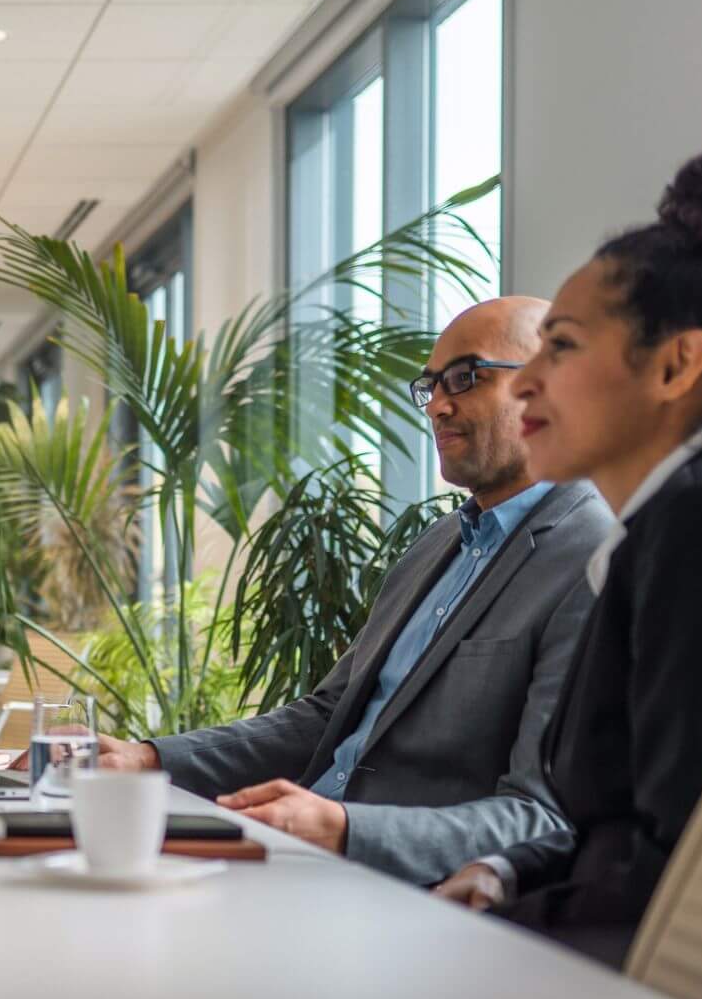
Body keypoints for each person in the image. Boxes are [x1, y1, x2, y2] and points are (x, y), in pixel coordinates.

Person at [437, 152, 702, 963]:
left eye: (558, 346)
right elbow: (640, 829)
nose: (524, 387)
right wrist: (501, 870)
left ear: (675, 365)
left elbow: (700, 880)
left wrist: (473, 937)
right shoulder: (688, 516)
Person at [90, 297, 613, 882]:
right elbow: (328, 715)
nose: (438, 405)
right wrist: (149, 758)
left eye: (466, 378)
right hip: (295, 862)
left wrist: (343, 829)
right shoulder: (437, 545)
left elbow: (539, 818)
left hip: (401, 892)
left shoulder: (596, 559)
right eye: (431, 385)